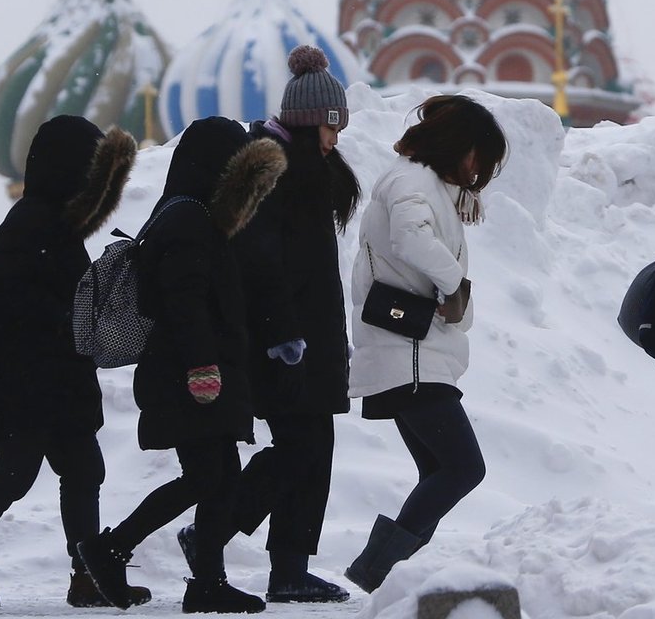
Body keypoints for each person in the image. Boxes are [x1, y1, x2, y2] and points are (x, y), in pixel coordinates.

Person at [0, 115, 146, 612]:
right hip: (32, 383)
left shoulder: (54, 223)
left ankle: (87, 574)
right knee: (16, 474)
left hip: (54, 381)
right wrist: (72, 319)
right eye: (91, 172)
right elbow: (13, 303)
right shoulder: (33, 223)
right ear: (70, 170)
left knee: (83, 469)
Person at [76, 117, 286, 615]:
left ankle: (196, 578)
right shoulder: (189, 221)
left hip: (189, 372)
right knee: (210, 478)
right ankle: (121, 552)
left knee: (217, 478)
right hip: (190, 376)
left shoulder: (182, 214)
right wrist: (201, 368)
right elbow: (183, 301)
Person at [179, 44, 360, 605]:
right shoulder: (276, 174)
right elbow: (264, 265)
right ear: (312, 123)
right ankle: (224, 533)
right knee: (302, 449)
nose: (337, 139)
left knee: (310, 449)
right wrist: (286, 336)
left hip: (306, 338)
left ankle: (286, 565)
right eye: (333, 127)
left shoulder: (304, 170)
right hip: (284, 341)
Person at [345, 94, 507, 595]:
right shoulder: (411, 180)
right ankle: (378, 571)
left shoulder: (418, 181)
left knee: (441, 469)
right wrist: (455, 284)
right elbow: (410, 237)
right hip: (410, 354)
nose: (480, 169)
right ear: (462, 147)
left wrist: (455, 294)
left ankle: (393, 575)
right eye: (481, 155)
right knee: (463, 467)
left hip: (413, 352)